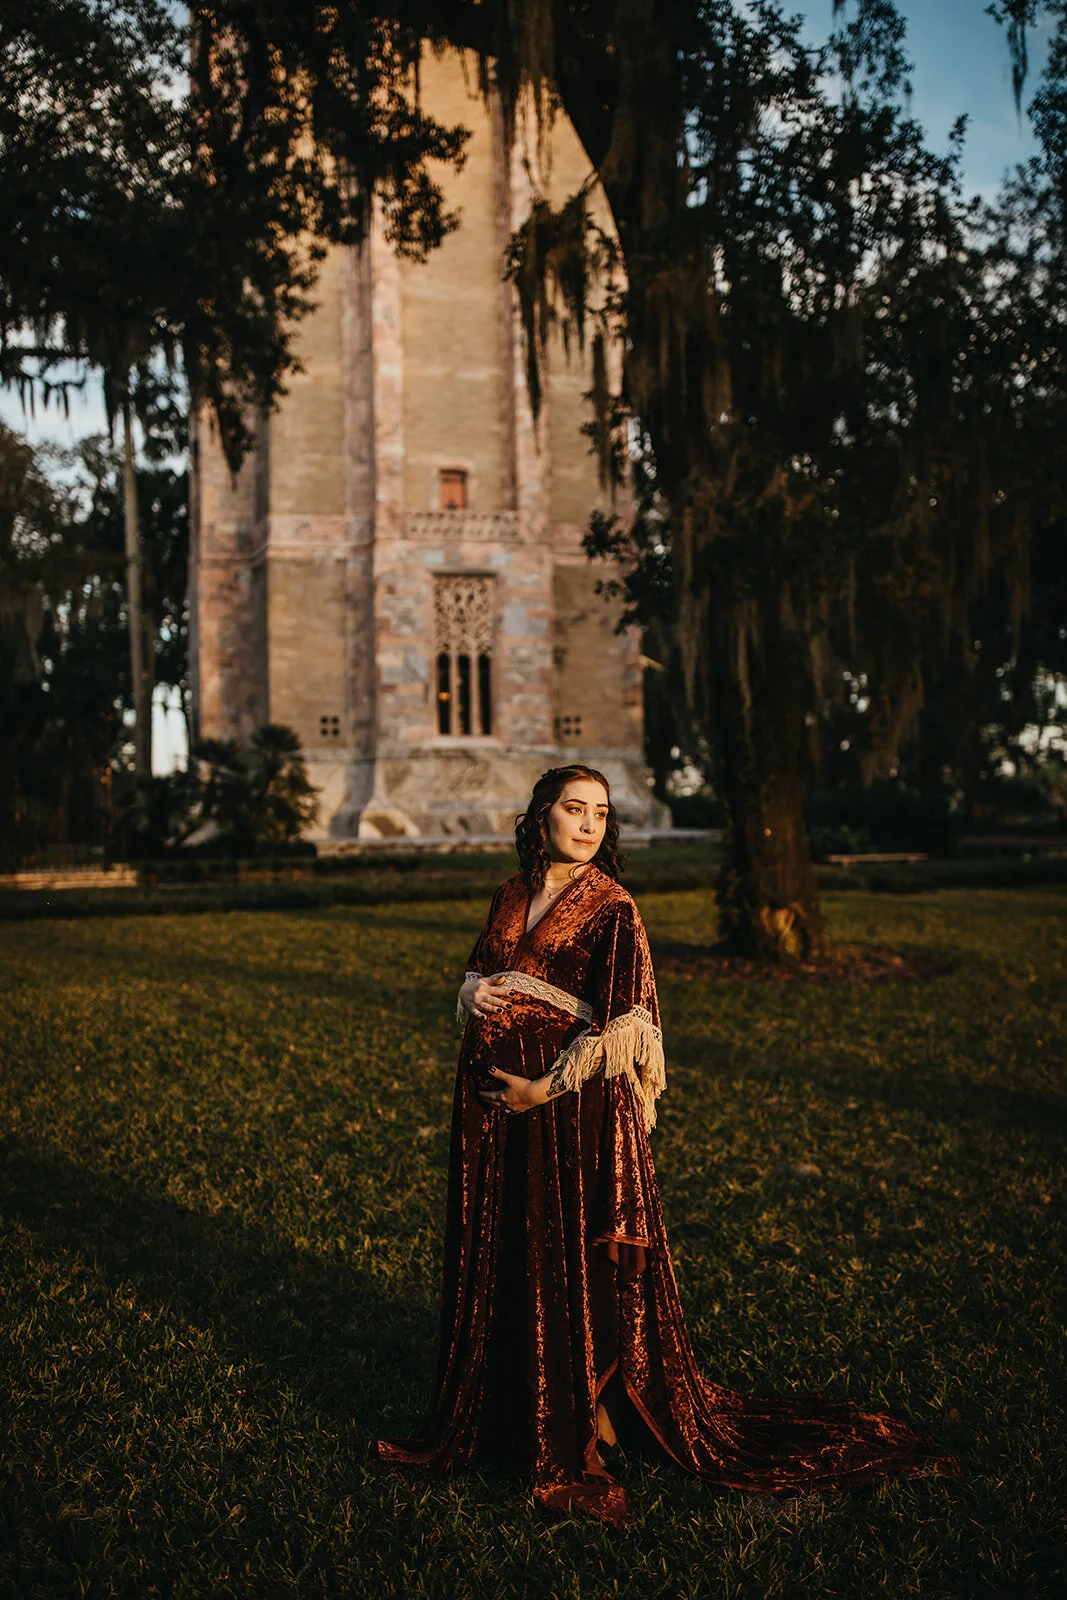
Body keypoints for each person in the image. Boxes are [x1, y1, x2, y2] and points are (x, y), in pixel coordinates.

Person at [375, 765, 958, 1527]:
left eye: (599, 813)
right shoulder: (510, 893)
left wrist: (537, 1090)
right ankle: (513, 1405)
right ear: (540, 816)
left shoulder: (613, 907)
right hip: (490, 1117)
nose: (587, 824)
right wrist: (470, 991)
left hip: (566, 1112)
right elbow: (488, 965)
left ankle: (588, 1407)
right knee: (509, 1250)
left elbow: (628, 1026)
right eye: (572, 809)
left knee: (570, 1254)